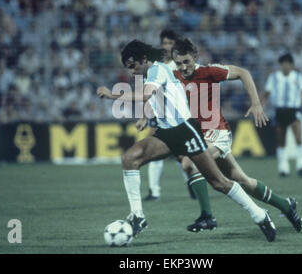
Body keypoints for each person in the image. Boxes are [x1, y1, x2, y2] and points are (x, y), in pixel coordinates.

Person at [97, 40, 277, 242]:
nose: (131, 72)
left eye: (133, 66)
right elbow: (154, 98)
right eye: (128, 68)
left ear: (144, 59)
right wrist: (146, 116)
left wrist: (112, 94)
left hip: (185, 131)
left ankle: (260, 215)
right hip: (166, 134)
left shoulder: (157, 70)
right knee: (130, 158)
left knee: (219, 182)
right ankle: (138, 216)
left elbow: (146, 94)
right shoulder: (151, 74)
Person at [170, 38, 302, 233]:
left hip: (218, 133)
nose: (182, 67)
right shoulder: (174, 76)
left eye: (186, 62)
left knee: (190, 163)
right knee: (243, 181)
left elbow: (243, 73)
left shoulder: (209, 71)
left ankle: (207, 216)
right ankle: (285, 205)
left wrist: (256, 103)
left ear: (195, 58)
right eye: (179, 63)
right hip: (201, 137)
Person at [144, 29, 197, 202]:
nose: (167, 47)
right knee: (153, 149)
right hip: (159, 110)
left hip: (178, 113)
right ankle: (154, 191)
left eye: (170, 43)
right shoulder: (156, 64)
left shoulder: (179, 64)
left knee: (181, 153)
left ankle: (192, 184)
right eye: (164, 43)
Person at [263, 53, 302, 178]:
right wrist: (260, 107)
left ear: (292, 65)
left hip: (294, 110)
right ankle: (283, 168)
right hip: (279, 111)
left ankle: (301, 166)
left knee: (299, 139)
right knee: (281, 141)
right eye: (283, 63)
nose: (285, 66)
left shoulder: (298, 77)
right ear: (280, 65)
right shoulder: (273, 77)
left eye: (287, 63)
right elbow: (266, 94)